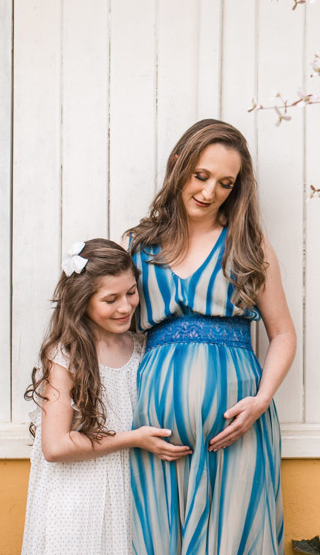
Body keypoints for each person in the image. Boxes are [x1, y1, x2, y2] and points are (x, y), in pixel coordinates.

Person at [126, 119, 295, 555]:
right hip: (159, 434)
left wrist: (261, 401)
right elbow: (113, 334)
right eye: (201, 176)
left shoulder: (248, 244)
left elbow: (282, 334)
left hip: (236, 426)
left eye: (225, 183)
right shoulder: (141, 248)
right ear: (177, 165)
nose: (209, 192)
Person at [22, 238, 192, 555]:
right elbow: (56, 447)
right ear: (82, 301)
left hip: (128, 492)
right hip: (77, 498)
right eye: (111, 299)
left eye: (131, 292)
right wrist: (133, 438)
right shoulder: (65, 355)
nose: (126, 306)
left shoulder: (142, 347)